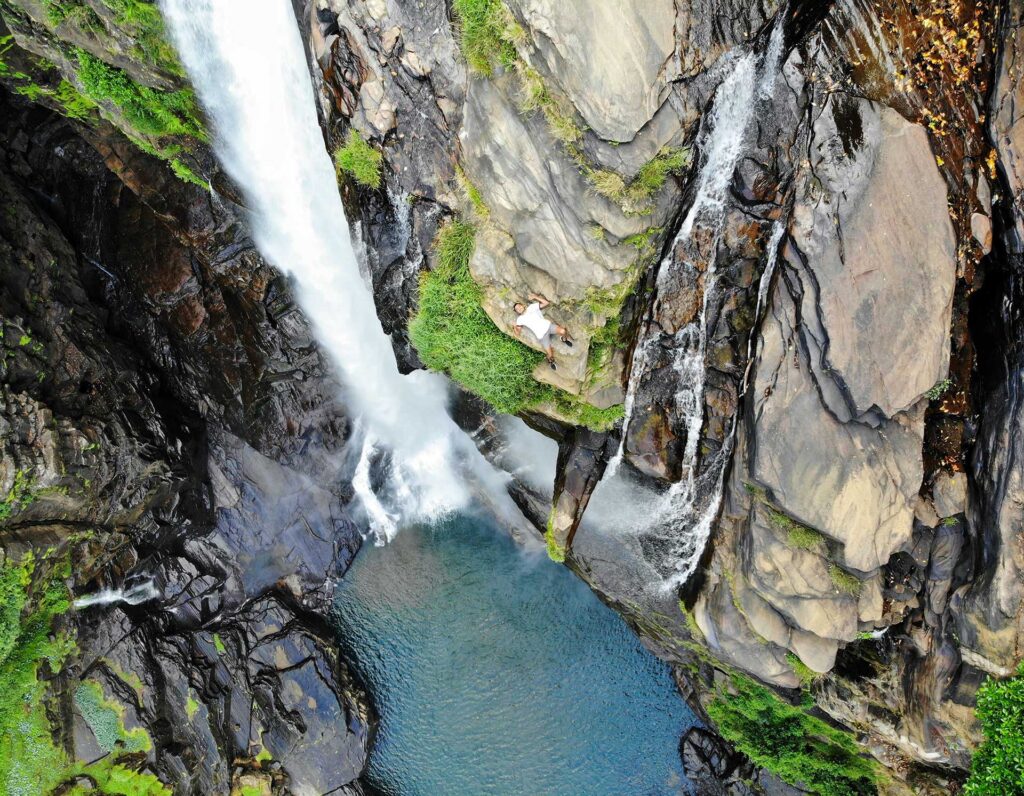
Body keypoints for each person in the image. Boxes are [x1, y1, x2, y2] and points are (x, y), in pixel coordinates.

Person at [512, 293, 573, 370]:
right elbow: (517, 334)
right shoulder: (520, 319)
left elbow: (546, 303)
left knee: (563, 331)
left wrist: (535, 297)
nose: (519, 308)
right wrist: (514, 327)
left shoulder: (531, 307)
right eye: (517, 309)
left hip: (548, 326)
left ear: (523, 305)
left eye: (519, 306)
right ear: (517, 312)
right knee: (550, 354)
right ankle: (551, 361)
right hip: (541, 336)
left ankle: (564, 339)